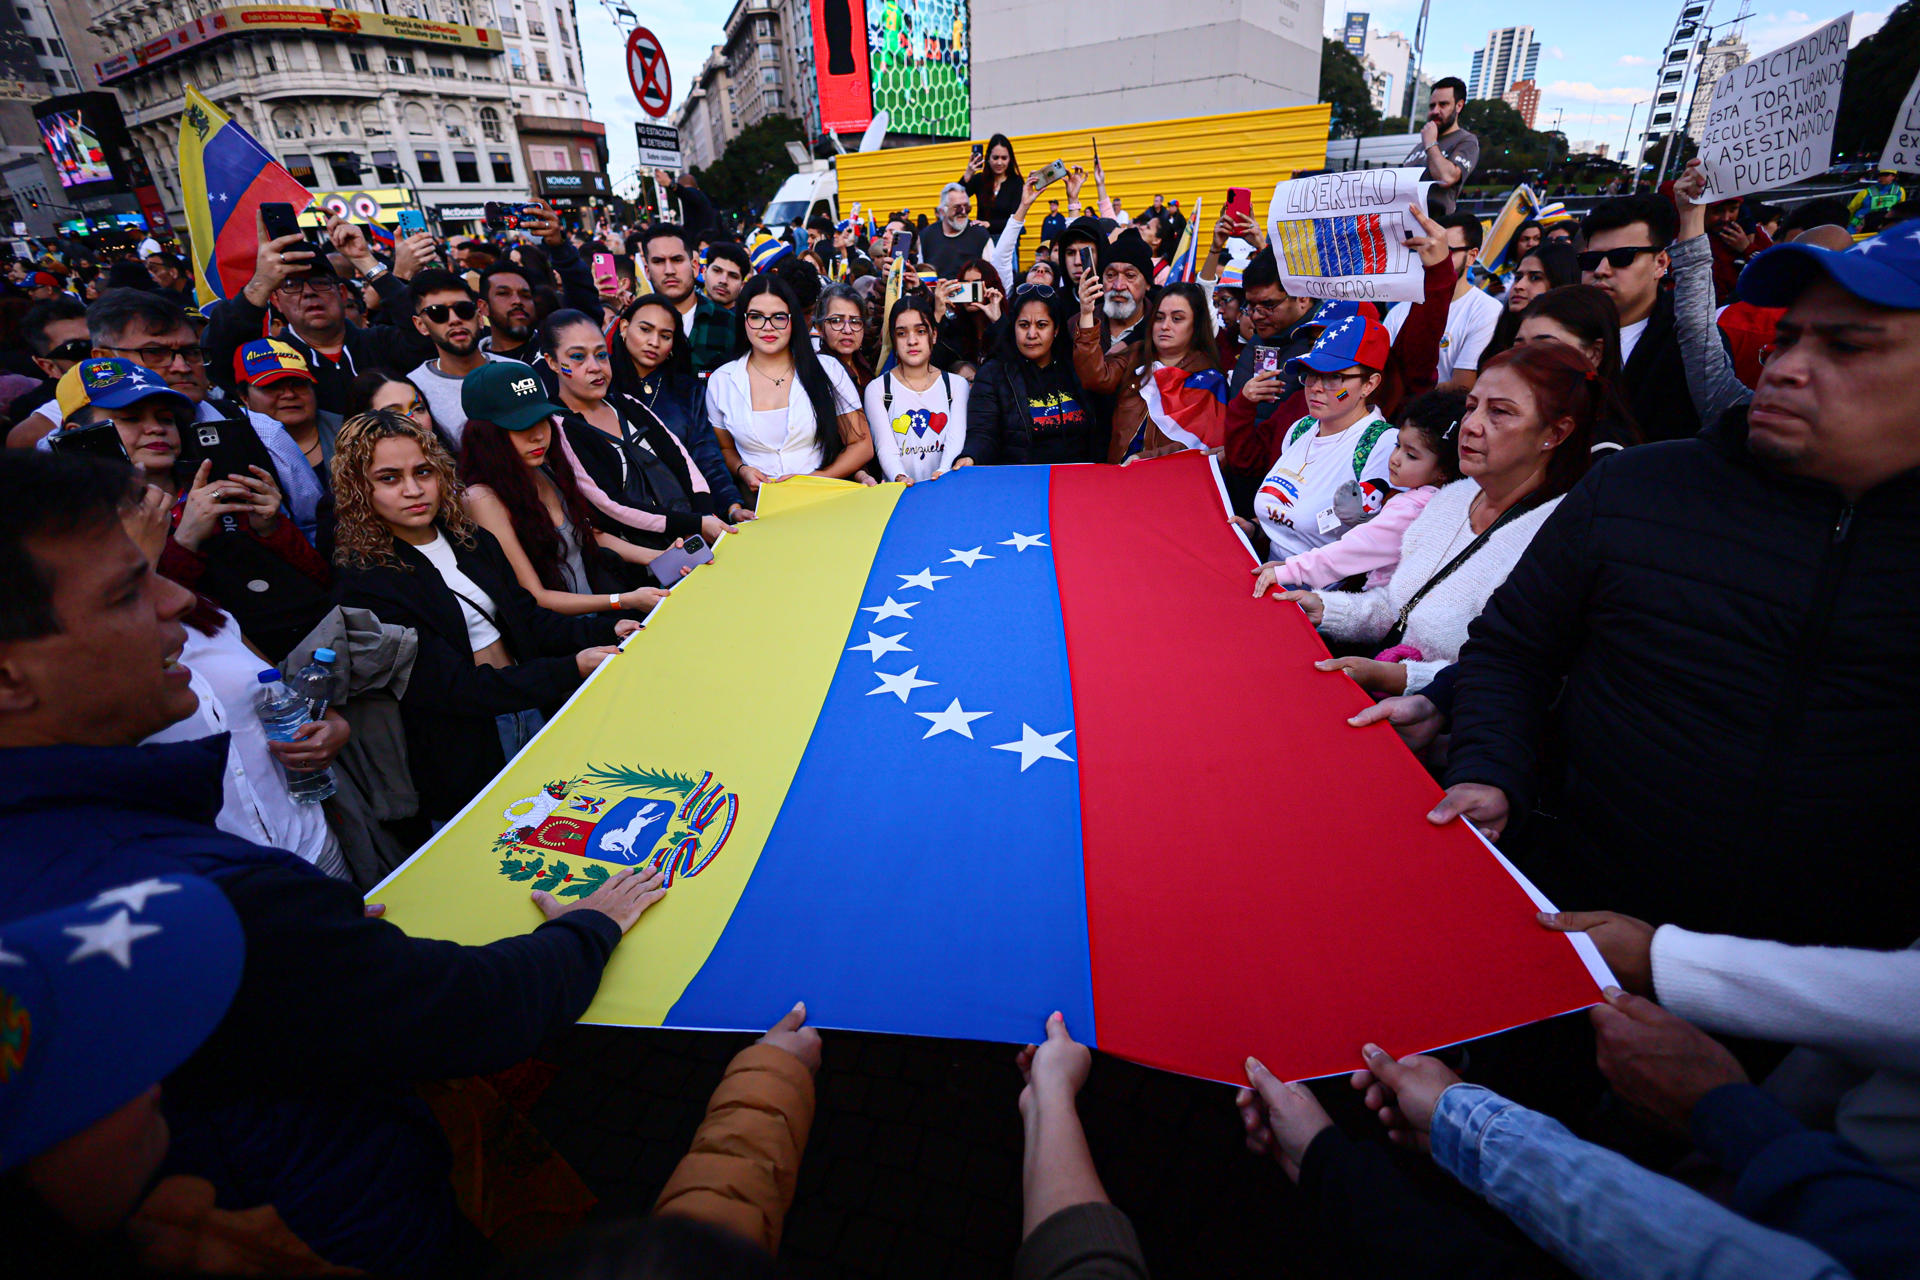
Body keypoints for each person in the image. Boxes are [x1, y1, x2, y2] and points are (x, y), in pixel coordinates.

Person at [0, 450, 671, 1275]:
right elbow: (466, 1012)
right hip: (354, 1230)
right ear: (9, 675)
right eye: (125, 591)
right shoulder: (216, 900)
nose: (177, 598)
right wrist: (590, 931)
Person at [1432, 218, 1920, 952]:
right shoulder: (1637, 489)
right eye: (1788, 339)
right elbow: (1512, 652)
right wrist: (1491, 769)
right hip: (1565, 921)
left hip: (1824, 1011)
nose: (1785, 367)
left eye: (1847, 347)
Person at [331, 408, 632, 824]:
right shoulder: (366, 580)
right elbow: (450, 688)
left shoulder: (470, 539)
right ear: (358, 488)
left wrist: (609, 626)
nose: (412, 489)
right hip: (465, 748)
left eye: (423, 472)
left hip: (530, 709)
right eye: (389, 478)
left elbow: (528, 620)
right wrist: (570, 668)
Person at [1274, 342, 1599, 697]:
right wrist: (1324, 607)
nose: (1471, 426)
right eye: (1472, 407)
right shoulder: (1452, 499)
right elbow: (1395, 607)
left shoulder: (1555, 539)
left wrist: (1400, 679)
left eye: (1500, 413)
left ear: (1555, 434)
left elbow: (1514, 676)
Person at [459, 395, 675, 617]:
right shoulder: (482, 499)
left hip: (605, 619)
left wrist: (660, 556)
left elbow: (588, 535)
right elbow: (536, 597)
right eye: (521, 426)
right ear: (486, 436)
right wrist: (624, 601)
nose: (539, 436)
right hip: (572, 638)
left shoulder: (543, 469)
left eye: (543, 420)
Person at [540, 317, 735, 552]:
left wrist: (703, 516)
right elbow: (611, 505)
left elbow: (683, 463)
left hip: (695, 537)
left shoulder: (628, 404)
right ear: (551, 362)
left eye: (601, 355)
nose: (595, 366)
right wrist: (696, 523)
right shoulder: (560, 427)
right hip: (637, 565)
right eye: (578, 357)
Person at [203, 214, 431, 415]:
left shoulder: (380, 341)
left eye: (320, 282)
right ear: (276, 300)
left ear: (342, 293)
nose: (309, 293)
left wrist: (364, 260)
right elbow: (218, 362)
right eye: (292, 285)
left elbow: (429, 335)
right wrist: (260, 284)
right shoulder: (269, 359)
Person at [1252, 388, 1463, 594]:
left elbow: (1353, 551)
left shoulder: (1410, 509)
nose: (1396, 458)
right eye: (1398, 446)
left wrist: (1290, 570)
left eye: (1412, 456)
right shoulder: (1445, 502)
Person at [1249, 314, 1401, 563]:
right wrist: (1253, 528)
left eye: (1334, 378)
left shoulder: (1383, 445)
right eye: (1310, 374)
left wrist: (1294, 571)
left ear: (1369, 385)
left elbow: (1372, 548)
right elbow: (1286, 520)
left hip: (1320, 594)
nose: (1316, 387)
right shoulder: (1301, 428)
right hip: (1268, 576)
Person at [704, 275, 874, 497]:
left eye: (778, 317)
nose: (768, 327)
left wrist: (815, 480)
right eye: (756, 317)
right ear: (743, 320)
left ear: (792, 320)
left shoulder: (827, 369)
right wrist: (742, 469)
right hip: (757, 507)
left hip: (823, 501)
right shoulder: (722, 381)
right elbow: (725, 448)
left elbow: (862, 445)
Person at [1578, 194, 1697, 443]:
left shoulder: (1688, 345)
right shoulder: (1555, 327)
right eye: (1590, 260)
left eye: (1622, 258)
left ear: (1660, 263)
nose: (1601, 270)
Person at [1076, 280, 1224, 463]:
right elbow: (1095, 377)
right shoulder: (1136, 355)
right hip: (1120, 476)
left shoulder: (1208, 379)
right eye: (1159, 318)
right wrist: (1086, 314)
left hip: (1169, 484)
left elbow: (1201, 445)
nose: (1165, 326)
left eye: (1177, 319)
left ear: (1196, 325)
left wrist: (1145, 459)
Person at [957, 286, 1102, 466]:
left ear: (1056, 329)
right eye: (1024, 325)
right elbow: (983, 433)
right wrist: (971, 457)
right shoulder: (993, 374)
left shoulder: (1076, 367)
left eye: (1042, 325)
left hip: (1079, 478)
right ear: (1013, 327)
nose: (1031, 334)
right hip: (1021, 481)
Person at [865, 294, 970, 483]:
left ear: (934, 335)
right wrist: (899, 477)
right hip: (898, 497)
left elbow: (955, 441)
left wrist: (942, 473)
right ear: (893, 339)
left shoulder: (956, 385)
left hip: (946, 491)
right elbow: (885, 447)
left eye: (920, 331)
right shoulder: (878, 389)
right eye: (902, 333)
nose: (912, 341)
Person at [407, 267, 507, 445]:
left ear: (479, 316)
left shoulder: (518, 372)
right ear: (421, 325)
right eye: (437, 312)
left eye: (464, 309)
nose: (454, 319)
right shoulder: (412, 390)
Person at [234, 337, 342, 496]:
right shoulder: (237, 448)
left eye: (298, 384)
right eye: (272, 386)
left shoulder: (350, 432)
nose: (289, 395)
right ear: (244, 397)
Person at [642, 223, 739, 377]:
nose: (669, 271)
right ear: (647, 270)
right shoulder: (635, 327)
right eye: (659, 261)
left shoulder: (729, 324)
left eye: (677, 260)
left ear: (694, 266)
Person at [1420, 213, 1503, 392]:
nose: (1436, 258)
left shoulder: (1487, 310)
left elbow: (1462, 386)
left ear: (1472, 256)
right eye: (1430, 249)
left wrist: (1404, 393)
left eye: (1447, 250)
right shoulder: (1404, 308)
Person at [5, 296, 89, 447]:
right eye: (77, 348)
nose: (97, 353)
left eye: (102, 341)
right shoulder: (33, 435)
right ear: (49, 367)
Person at [1481, 241, 1579, 366]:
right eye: (1518, 277)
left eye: (1535, 278)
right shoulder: (1500, 336)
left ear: (1559, 284)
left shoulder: (1568, 352)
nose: (1519, 286)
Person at [1405, 77, 1479, 217]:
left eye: (1443, 104)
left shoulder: (1467, 141)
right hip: (1405, 225)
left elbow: (1446, 177)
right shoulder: (1422, 144)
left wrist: (1430, 143)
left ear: (1459, 106)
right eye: (1432, 106)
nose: (1435, 111)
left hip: (1434, 228)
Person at [932, 258, 1005, 376]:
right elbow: (934, 362)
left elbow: (1011, 360)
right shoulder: (952, 329)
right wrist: (938, 315)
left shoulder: (1006, 323)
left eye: (976, 284)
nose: (970, 292)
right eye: (966, 284)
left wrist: (997, 321)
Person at [1704, 191, 1774, 307]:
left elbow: (1773, 274)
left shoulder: (1757, 235)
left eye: (1733, 210)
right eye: (1718, 211)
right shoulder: (1692, 237)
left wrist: (1747, 248)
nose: (1726, 218)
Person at [920, 182, 993, 281]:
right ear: (942, 211)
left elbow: (992, 274)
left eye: (967, 207)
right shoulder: (927, 235)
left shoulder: (979, 234)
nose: (963, 212)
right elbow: (921, 273)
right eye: (957, 207)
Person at [961, 133, 1024, 242]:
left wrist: (988, 224)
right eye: (995, 158)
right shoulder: (979, 179)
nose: (999, 162)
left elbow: (1015, 218)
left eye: (1004, 158)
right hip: (982, 240)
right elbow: (956, 198)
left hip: (1007, 242)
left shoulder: (1016, 182)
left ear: (1010, 159)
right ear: (988, 158)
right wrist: (967, 175)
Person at [815, 281, 876, 389]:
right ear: (820, 328)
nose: (847, 330)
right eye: (837, 321)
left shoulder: (865, 366)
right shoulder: (817, 372)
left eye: (855, 322)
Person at [703, 242, 751, 310]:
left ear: (742, 285)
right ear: (704, 273)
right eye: (717, 271)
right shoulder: (686, 315)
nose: (723, 281)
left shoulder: (745, 319)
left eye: (733, 276)